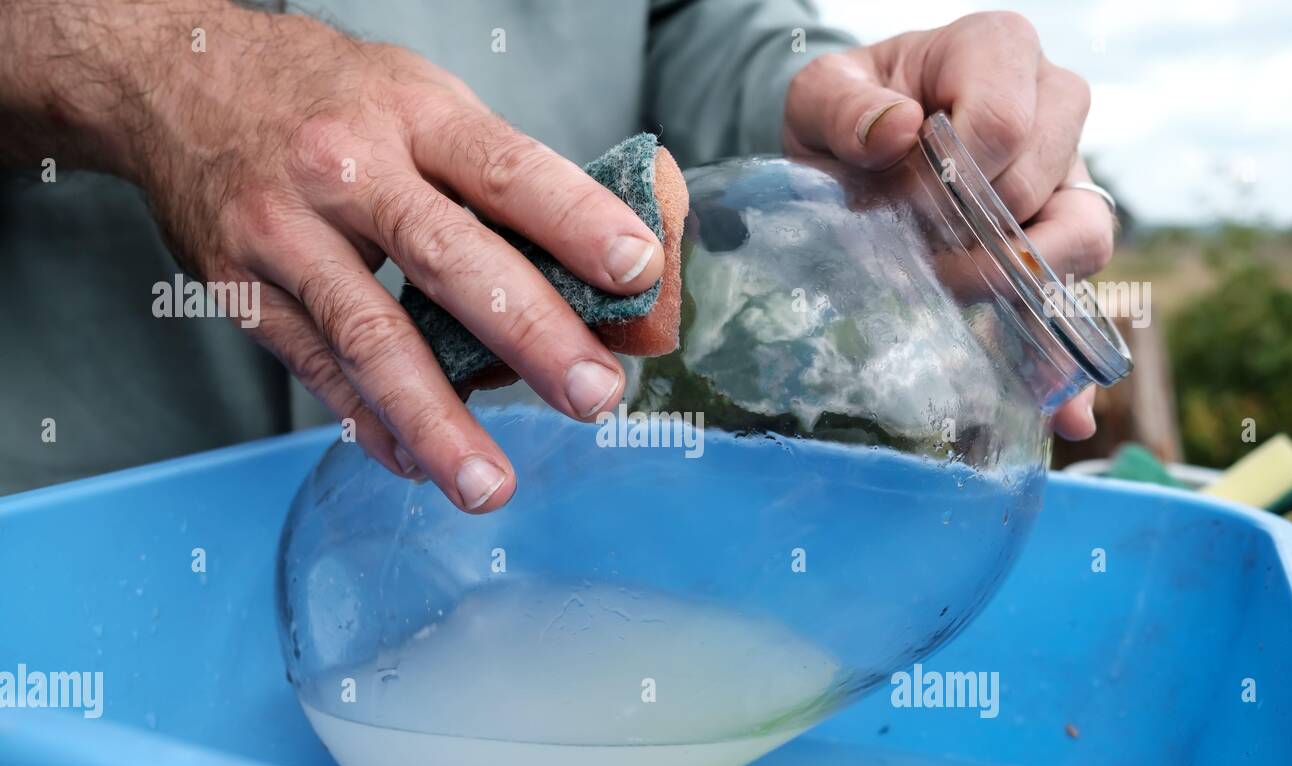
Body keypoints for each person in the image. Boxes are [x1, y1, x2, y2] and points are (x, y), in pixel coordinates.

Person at [0, 0, 1111, 509]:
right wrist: (148, 63)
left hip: (533, 531)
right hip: (65, 549)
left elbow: (687, 20)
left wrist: (824, 98)